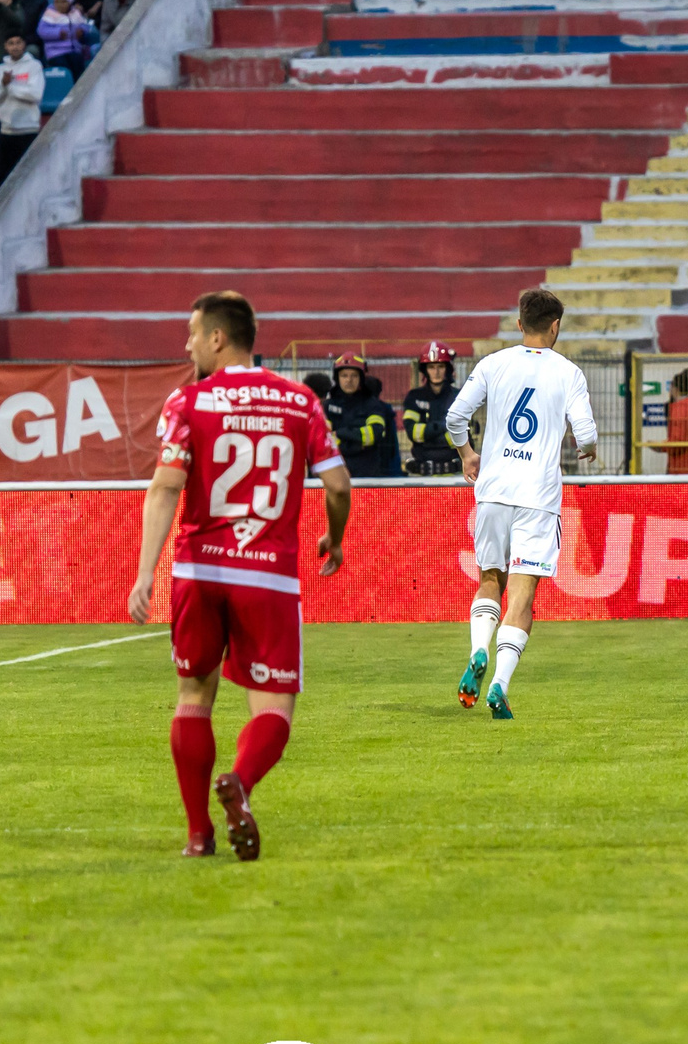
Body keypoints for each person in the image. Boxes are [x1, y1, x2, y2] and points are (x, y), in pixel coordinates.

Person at [128, 292, 351, 860]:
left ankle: (199, 834)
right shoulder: (300, 401)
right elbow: (339, 484)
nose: (187, 344)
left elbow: (165, 487)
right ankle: (241, 783)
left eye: (192, 333)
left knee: (193, 698)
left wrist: (145, 573)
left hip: (199, 569)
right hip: (268, 577)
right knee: (273, 709)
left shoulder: (189, 402)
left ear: (218, 339)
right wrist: (335, 536)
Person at [447, 288, 598, 719]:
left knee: (489, 579)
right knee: (522, 595)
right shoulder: (568, 373)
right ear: (555, 327)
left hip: (493, 490)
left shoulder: (493, 364)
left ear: (519, 323)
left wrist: (467, 454)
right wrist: (585, 447)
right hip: (539, 497)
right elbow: (585, 433)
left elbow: (456, 417)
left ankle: (479, 650)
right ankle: (499, 683)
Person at [321, 351, 403, 479]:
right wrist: (359, 441)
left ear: (361, 378)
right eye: (344, 376)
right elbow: (325, 439)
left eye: (354, 376)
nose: (349, 380)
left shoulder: (373, 405)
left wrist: (340, 434)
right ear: (337, 378)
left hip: (367, 476)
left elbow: (374, 434)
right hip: (337, 476)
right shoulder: (327, 407)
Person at [399, 342, 463, 475]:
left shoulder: (460, 397)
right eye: (431, 367)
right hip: (422, 475)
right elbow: (412, 433)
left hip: (454, 474)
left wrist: (426, 436)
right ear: (425, 370)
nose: (436, 372)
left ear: (448, 369)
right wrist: (444, 427)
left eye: (440, 366)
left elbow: (462, 436)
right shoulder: (414, 397)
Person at [0, 31, 45, 143]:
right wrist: (4, 85)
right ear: (5, 46)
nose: (15, 47)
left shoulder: (34, 66)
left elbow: (35, 94)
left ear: (24, 44)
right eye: (11, 43)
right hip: (6, 128)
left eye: (18, 43)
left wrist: (9, 87)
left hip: (29, 127)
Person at [39, 0, 94, 76]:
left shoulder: (75, 13)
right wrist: (57, 33)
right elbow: (42, 31)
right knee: (63, 66)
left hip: (74, 50)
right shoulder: (49, 13)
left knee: (78, 64)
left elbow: (85, 26)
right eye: (56, 1)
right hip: (55, 52)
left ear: (69, 2)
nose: (59, 5)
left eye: (63, 1)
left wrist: (82, 31)